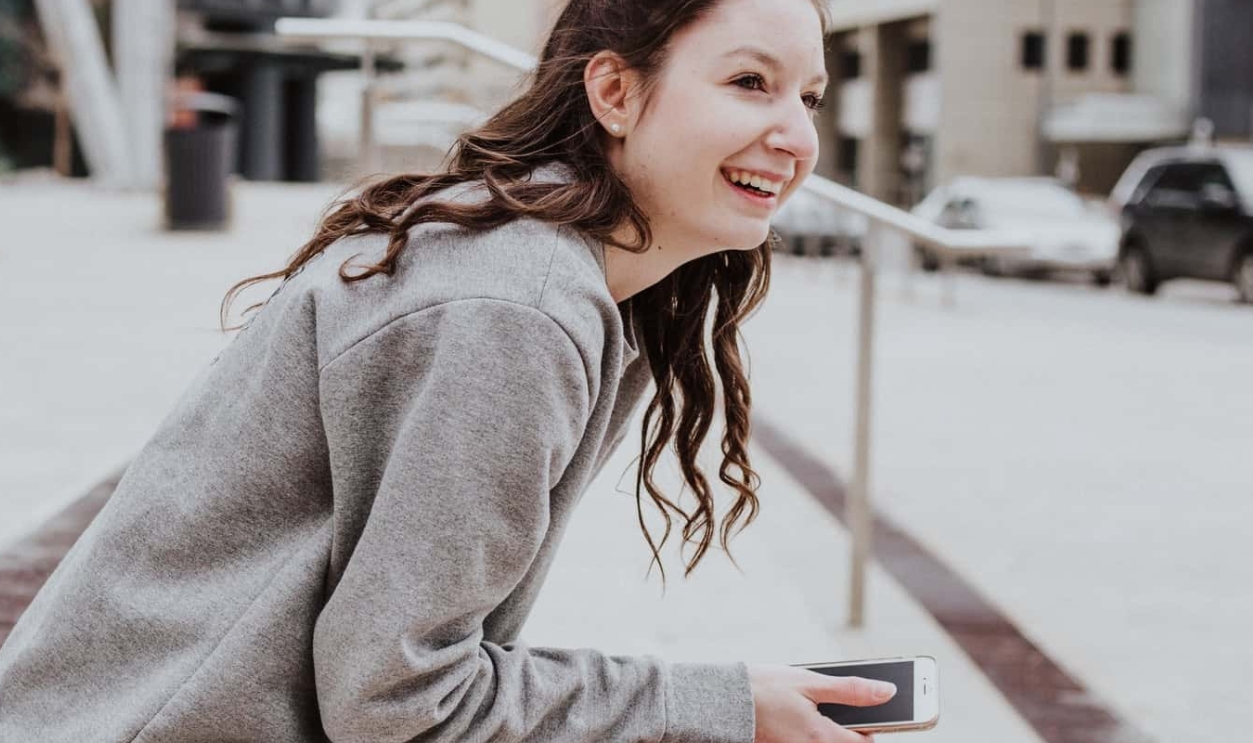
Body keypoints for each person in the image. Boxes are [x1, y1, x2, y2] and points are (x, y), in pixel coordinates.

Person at [0, 0, 897, 740]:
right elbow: (398, 703)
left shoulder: (531, 266)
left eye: (811, 98)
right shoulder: (513, 309)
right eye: (750, 83)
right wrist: (722, 709)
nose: (794, 137)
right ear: (615, 93)